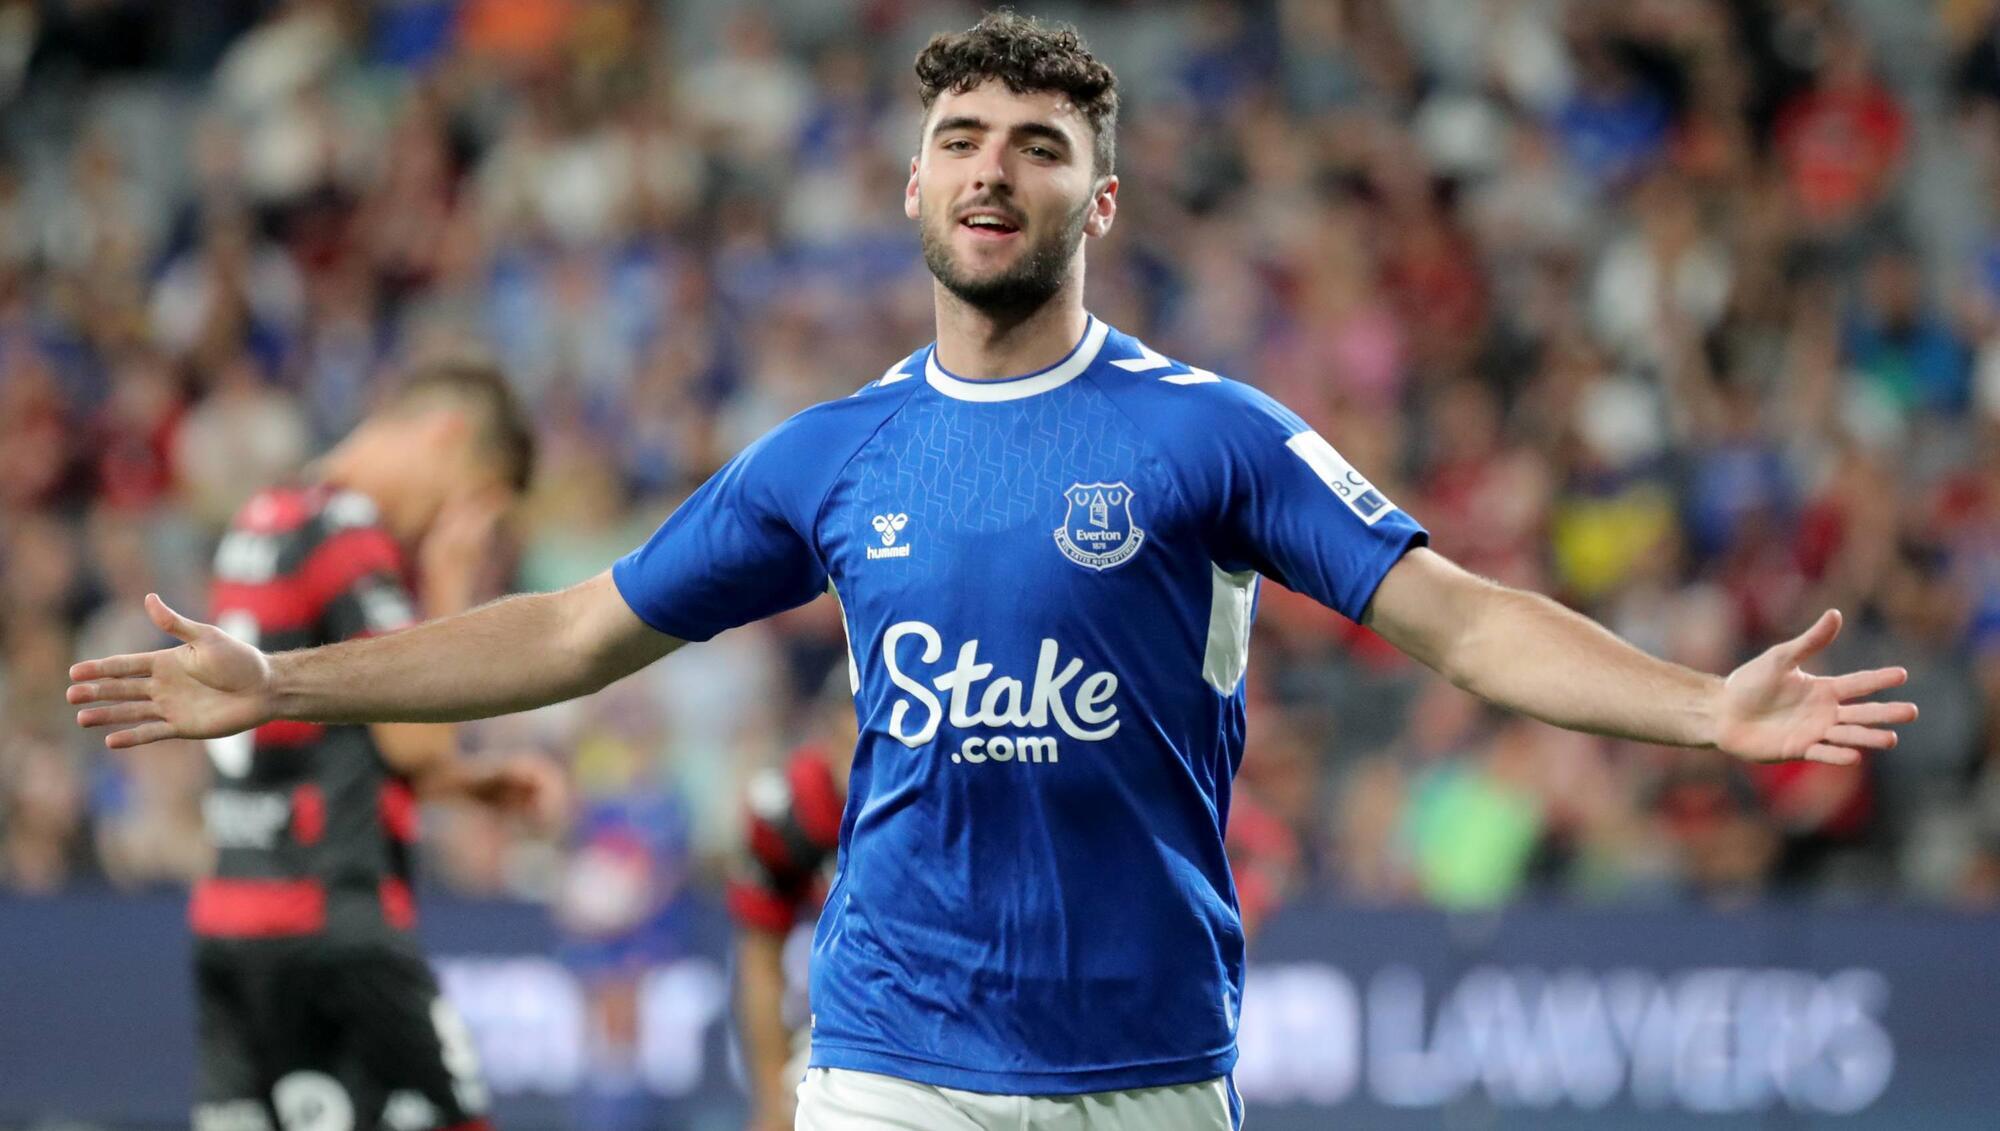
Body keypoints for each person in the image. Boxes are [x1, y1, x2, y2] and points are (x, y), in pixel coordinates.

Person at [71, 14, 1918, 1130]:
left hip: (1150, 1059)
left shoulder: (1211, 433)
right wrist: (287, 683)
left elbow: (1460, 621)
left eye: (1039, 148)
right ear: (911, 187)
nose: (992, 169)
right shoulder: (832, 453)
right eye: (960, 139)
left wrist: (1702, 706)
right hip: (893, 1053)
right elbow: (573, 627)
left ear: (1095, 203)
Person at [174, 357, 558, 1131]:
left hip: (233, 916)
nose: (452, 526)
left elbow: (307, 733)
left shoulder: (263, 517)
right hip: (334, 924)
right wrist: (449, 581)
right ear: (446, 436)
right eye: (472, 501)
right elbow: (414, 742)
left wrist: (464, 783)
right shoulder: (348, 531)